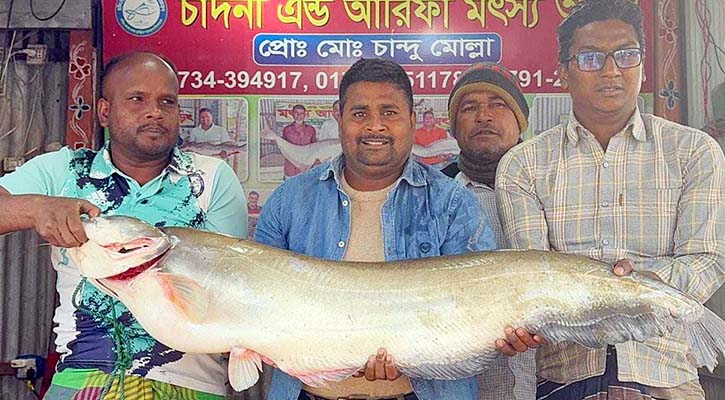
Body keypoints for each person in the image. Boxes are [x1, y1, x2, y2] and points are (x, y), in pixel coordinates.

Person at [495, 1, 724, 399]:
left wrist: (629, 286)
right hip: (565, 377)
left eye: (626, 54)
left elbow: (706, 259)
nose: (611, 70)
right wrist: (612, 288)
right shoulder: (524, 164)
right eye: (590, 57)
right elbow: (533, 279)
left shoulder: (693, 152)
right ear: (563, 72)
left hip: (666, 372)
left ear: (643, 65)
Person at [0, 52, 248, 399]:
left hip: (189, 383)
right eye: (137, 99)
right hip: (82, 380)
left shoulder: (211, 178)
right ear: (104, 111)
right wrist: (37, 207)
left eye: (167, 102)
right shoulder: (64, 171)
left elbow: (233, 288)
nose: (154, 112)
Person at [255, 58, 496, 400]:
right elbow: (261, 303)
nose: (375, 126)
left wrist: (503, 329)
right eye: (359, 114)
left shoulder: (453, 203)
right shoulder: (289, 200)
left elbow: (475, 312)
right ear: (339, 120)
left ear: (411, 121)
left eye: (389, 112)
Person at [441, 62, 536, 400]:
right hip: (464, 387)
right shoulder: (434, 196)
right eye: (469, 107)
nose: (484, 116)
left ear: (519, 120)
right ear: (454, 127)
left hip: (556, 383)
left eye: (498, 104)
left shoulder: (558, 186)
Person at [282, 104, 317, 178]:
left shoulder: (311, 130)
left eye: (301, 113)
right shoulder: (286, 129)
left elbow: (315, 149)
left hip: (306, 170)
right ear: (292, 114)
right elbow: (282, 148)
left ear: (305, 114)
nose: (299, 116)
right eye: (296, 113)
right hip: (290, 169)